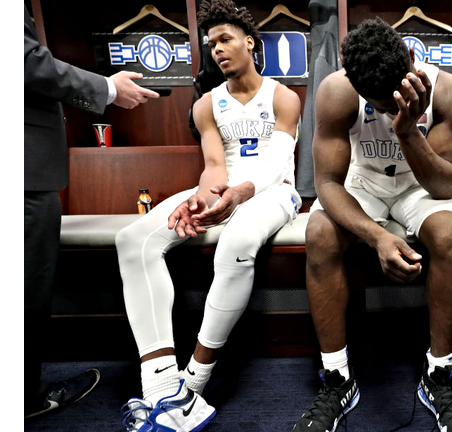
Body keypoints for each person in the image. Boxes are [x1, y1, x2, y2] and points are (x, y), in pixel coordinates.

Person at [116, 0, 302, 430]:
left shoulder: (284, 96)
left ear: (250, 43)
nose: (217, 49)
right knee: (133, 239)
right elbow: (215, 164)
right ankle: (162, 386)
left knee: (237, 241)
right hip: (226, 188)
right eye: (210, 43)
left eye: (225, 39)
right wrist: (202, 197)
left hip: (275, 192)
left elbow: (277, 163)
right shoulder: (206, 105)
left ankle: (195, 379)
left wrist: (237, 194)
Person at [293, 17, 452, 432]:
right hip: (366, 185)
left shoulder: (447, 90)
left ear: (412, 59)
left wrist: (408, 129)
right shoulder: (337, 92)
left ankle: (439, 375)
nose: (390, 108)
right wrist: (377, 236)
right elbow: (326, 183)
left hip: (419, 185)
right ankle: (337, 378)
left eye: (394, 97)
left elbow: (446, 185)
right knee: (319, 231)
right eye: (380, 104)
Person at [24, 5, 159, 419]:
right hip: (23, 172)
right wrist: (108, 88)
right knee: (25, 291)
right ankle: (24, 399)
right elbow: (26, 62)